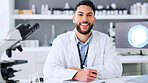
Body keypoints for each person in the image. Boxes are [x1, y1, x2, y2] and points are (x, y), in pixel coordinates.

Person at [43, 0, 122, 82]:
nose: (84, 19)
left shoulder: (104, 39)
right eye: (80, 14)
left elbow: (116, 68)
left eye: (89, 15)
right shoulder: (60, 40)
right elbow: (49, 70)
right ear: (74, 19)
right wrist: (76, 74)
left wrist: (85, 72)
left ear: (94, 20)